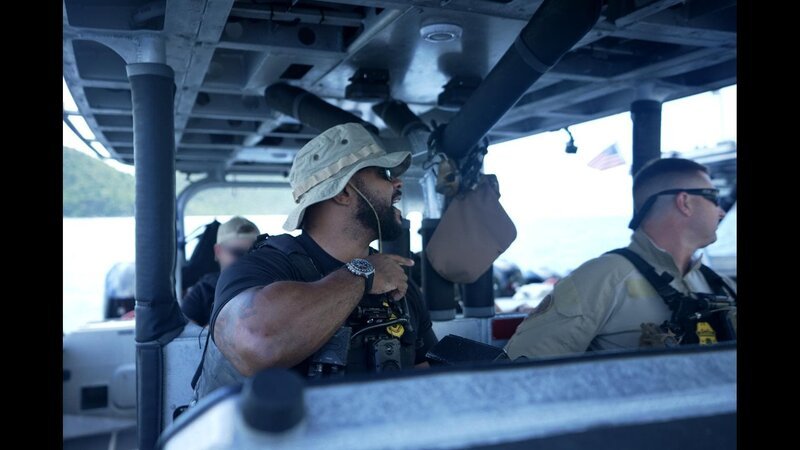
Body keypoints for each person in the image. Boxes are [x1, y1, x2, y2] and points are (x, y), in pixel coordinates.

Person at [194, 123, 437, 397]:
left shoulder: (394, 277)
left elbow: (424, 372)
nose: (397, 183)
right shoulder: (261, 268)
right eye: (383, 174)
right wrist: (363, 274)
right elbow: (257, 342)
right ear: (344, 192)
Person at [504, 157, 736, 359]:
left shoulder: (720, 285)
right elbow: (520, 374)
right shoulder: (600, 280)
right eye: (713, 197)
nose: (721, 211)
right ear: (684, 202)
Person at [180, 216, 260, 327]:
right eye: (238, 253)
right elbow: (184, 337)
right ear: (218, 251)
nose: (245, 260)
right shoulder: (203, 292)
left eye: (253, 252)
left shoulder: (270, 287)